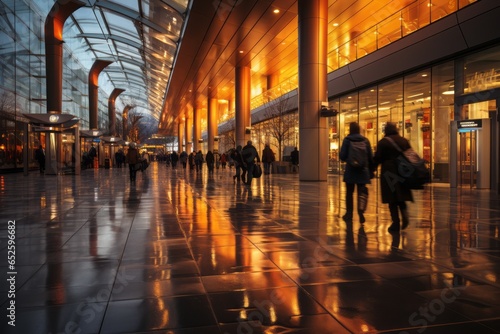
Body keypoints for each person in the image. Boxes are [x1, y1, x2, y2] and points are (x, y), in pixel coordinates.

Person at [374, 122, 413, 232]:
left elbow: (377, 158)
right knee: (401, 195)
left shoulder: (383, 142)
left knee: (391, 198)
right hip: (403, 171)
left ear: (385, 130)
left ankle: (395, 223)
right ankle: (404, 213)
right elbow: (411, 156)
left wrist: (371, 169)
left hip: (389, 172)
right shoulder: (404, 141)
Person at [339, 122, 374, 224]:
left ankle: (349, 213)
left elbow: (342, 156)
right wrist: (371, 171)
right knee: (361, 193)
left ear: (350, 129)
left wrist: (350, 159)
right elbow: (370, 157)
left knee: (349, 193)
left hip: (351, 170)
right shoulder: (365, 140)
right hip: (363, 171)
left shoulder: (347, 140)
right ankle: (361, 212)